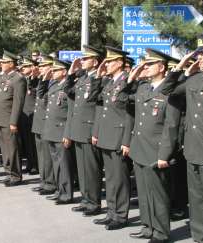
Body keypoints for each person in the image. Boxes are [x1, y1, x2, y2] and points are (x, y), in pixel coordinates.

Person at [159, 33, 203, 243]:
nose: (200, 57)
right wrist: (181, 67)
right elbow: (166, 89)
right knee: (196, 201)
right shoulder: (194, 79)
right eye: (197, 53)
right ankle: (200, 237)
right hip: (193, 150)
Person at [126, 49, 183, 243]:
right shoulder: (143, 88)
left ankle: (161, 232)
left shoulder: (171, 92)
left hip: (156, 150)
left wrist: (164, 155)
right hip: (139, 148)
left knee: (158, 194)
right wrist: (133, 75)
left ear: (161, 67)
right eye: (145, 64)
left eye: (150, 64)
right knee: (143, 192)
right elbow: (123, 97)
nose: (146, 67)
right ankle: (147, 226)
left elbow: (171, 126)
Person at [92, 46, 133, 230]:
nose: (106, 65)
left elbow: (129, 114)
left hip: (118, 136)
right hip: (107, 135)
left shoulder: (127, 82)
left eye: (109, 62)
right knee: (109, 178)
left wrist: (126, 141)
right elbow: (98, 103)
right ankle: (111, 212)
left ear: (119, 63)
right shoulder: (108, 82)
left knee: (120, 178)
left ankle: (121, 215)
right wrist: (99, 76)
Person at [65, 45, 104, 216]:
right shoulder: (82, 78)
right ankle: (85, 199)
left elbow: (95, 96)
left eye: (86, 59)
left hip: (89, 129)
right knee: (81, 169)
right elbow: (69, 92)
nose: (82, 61)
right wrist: (71, 73)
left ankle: (94, 202)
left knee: (91, 169)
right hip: (78, 129)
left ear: (95, 62)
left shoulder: (99, 79)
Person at [0, 50, 27, 186]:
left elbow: (18, 102)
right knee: (5, 149)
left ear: (11, 64)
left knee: (12, 148)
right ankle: (8, 173)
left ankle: (16, 175)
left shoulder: (18, 79)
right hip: (0, 118)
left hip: (9, 120)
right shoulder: (3, 77)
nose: (2, 65)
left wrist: (14, 121)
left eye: (4, 62)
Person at [42, 58, 76, 204]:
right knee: (56, 164)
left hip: (62, 131)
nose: (53, 72)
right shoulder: (55, 85)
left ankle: (67, 194)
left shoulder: (68, 87)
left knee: (64, 165)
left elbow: (71, 113)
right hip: (51, 130)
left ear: (64, 72)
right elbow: (43, 100)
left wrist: (67, 134)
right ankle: (59, 190)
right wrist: (43, 79)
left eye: (56, 70)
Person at [31, 55, 57, 195]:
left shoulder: (53, 82)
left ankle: (50, 183)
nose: (40, 69)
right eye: (40, 67)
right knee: (41, 156)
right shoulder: (43, 81)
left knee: (47, 157)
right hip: (39, 122)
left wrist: (44, 79)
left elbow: (42, 96)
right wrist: (40, 78)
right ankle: (44, 180)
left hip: (46, 123)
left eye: (43, 66)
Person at [19, 57, 39, 175]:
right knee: (27, 142)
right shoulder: (24, 79)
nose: (23, 69)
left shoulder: (36, 79)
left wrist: (33, 75)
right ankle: (30, 163)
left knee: (33, 143)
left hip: (33, 115)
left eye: (26, 66)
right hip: (24, 114)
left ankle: (35, 165)